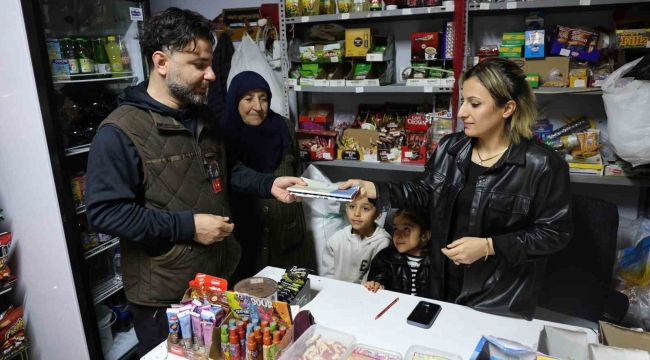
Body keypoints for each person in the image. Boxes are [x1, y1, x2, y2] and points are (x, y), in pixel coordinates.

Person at [85, 8, 306, 356]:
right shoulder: (120, 132)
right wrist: (187, 226)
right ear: (161, 62)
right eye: (199, 64)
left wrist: (268, 184)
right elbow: (105, 213)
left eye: (210, 63)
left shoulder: (202, 115)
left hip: (219, 280)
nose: (212, 74)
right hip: (167, 300)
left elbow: (225, 169)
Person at [341, 58, 572, 320]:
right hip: (440, 284)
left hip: (498, 297)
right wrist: (372, 187)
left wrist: (489, 246)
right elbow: (424, 190)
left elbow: (554, 234)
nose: (461, 112)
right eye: (463, 101)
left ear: (507, 108)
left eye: (474, 104)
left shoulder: (542, 165)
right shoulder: (451, 147)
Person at [219, 71, 316, 283]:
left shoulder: (283, 128)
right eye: (248, 99)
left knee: (292, 300)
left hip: (287, 237)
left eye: (263, 98)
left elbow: (296, 170)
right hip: (243, 241)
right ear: (235, 100)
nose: (258, 106)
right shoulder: (221, 134)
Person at [365, 209, 436, 298]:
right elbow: (379, 277)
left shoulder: (436, 260)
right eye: (395, 229)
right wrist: (376, 284)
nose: (398, 235)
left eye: (406, 229)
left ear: (425, 235)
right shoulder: (385, 257)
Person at [321, 196, 391, 284]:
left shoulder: (383, 243)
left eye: (365, 208)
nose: (356, 213)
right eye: (352, 206)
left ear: (378, 214)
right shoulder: (336, 240)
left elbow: (377, 280)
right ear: (346, 208)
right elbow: (327, 279)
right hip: (337, 293)